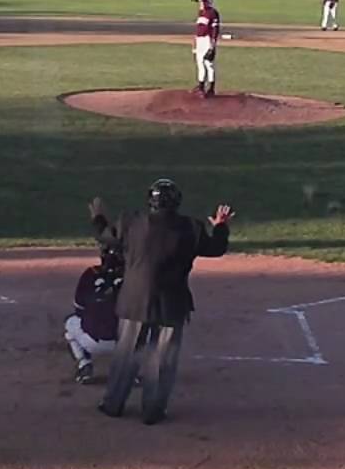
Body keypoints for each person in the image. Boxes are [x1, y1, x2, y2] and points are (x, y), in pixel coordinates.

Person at [90, 179, 234, 425]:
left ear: (151, 201)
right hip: (172, 302)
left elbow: (105, 237)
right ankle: (153, 411)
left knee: (126, 354)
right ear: (176, 202)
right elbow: (217, 248)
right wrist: (221, 226)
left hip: (134, 300)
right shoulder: (191, 228)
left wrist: (99, 217)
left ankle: (113, 404)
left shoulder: (130, 222)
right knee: (162, 358)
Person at [64, 244, 125, 384]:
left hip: (92, 341)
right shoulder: (132, 276)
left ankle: (84, 364)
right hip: (124, 343)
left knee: (69, 323)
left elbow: (79, 309)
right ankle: (130, 370)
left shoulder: (90, 274)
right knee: (142, 325)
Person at [192, 0, 221, 97]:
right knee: (200, 63)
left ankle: (211, 89)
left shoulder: (213, 13)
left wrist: (212, 45)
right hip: (199, 40)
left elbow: (215, 30)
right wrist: (195, 43)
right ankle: (201, 87)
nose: (200, 4)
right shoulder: (201, 13)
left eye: (202, 2)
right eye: (199, 2)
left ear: (207, 2)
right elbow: (198, 30)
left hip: (207, 40)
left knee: (209, 64)